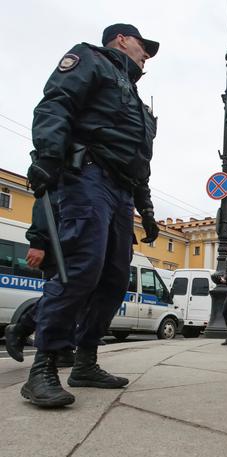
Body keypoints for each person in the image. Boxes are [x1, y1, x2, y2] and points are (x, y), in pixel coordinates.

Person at [21, 23, 160, 408]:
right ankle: (43, 367)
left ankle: (86, 362)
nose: (146, 54)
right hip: (87, 176)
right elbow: (56, 103)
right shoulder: (91, 60)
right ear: (121, 39)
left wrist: (146, 209)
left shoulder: (135, 99)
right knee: (81, 267)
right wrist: (49, 156)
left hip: (122, 191)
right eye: (142, 45)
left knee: (114, 279)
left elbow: (140, 161)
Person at [4, 198, 74, 367]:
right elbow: (45, 200)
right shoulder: (62, 175)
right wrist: (37, 241)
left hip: (71, 247)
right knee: (61, 294)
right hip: (56, 248)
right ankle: (22, 328)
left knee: (72, 298)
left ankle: (64, 349)